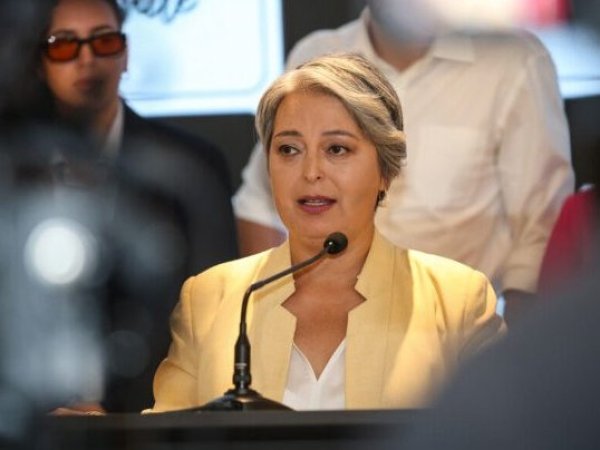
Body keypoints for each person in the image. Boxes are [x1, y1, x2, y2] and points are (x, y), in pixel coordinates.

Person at [150, 54, 505, 412]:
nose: (311, 172)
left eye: (337, 149)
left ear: (385, 170)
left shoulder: (457, 301)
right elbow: (167, 432)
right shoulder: (211, 298)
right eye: (289, 150)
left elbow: (499, 429)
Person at [232, 0, 574, 325]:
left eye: (337, 149)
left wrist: (506, 353)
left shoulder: (512, 59)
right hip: (325, 328)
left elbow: (540, 229)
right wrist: (276, 324)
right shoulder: (316, 53)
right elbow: (258, 205)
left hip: (455, 334)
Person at [31, 0, 238, 413]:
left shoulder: (190, 168)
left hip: (157, 416)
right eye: (64, 45)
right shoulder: (12, 169)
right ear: (38, 64)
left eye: (104, 41)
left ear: (125, 55)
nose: (87, 59)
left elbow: (217, 316)